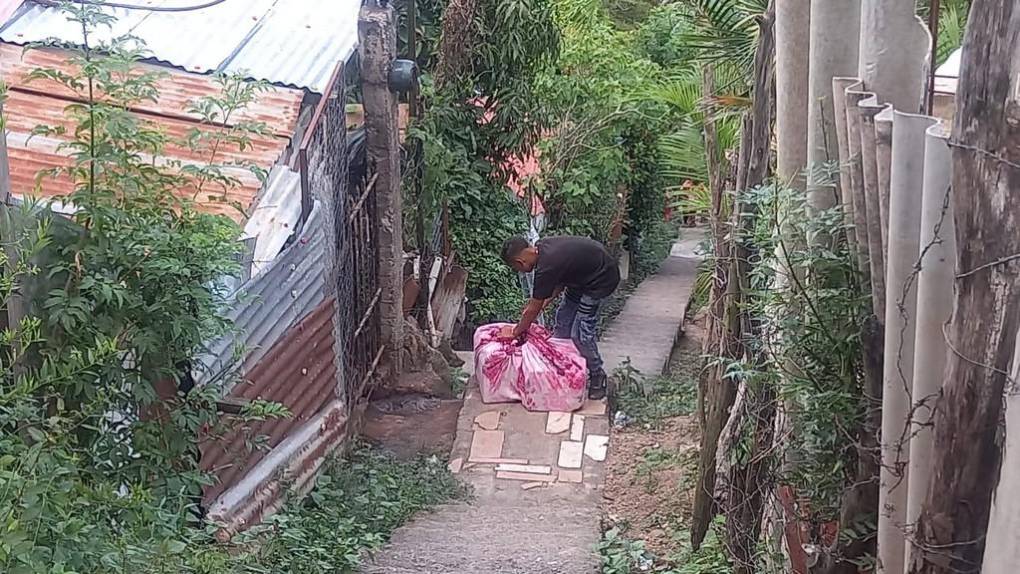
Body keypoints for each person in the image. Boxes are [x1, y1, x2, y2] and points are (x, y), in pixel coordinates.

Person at [500, 235, 620, 400]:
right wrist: (540, 306)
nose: (519, 271)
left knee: (580, 333)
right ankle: (565, 369)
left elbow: (533, 308)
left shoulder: (546, 266)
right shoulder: (543, 249)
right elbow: (557, 284)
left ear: (520, 262)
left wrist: (515, 331)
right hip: (580, 279)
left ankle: (597, 375)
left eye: (516, 268)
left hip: (600, 280)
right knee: (562, 323)